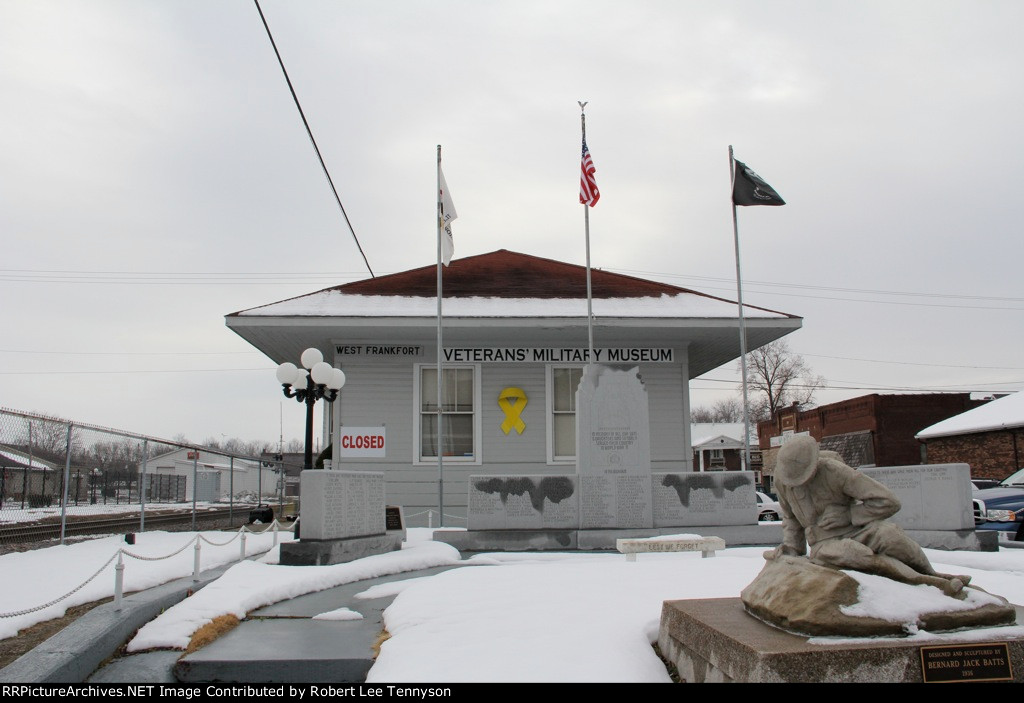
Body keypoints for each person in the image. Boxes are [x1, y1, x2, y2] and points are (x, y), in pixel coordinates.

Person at [769, 435, 970, 597]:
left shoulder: (835, 472)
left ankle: (932, 573)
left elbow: (888, 501)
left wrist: (849, 515)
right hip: (825, 543)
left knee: (891, 536)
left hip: (857, 528)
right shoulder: (783, 480)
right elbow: (791, 518)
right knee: (860, 555)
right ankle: (929, 583)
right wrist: (792, 548)